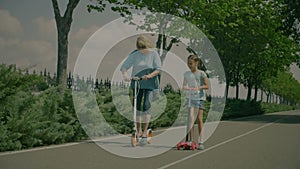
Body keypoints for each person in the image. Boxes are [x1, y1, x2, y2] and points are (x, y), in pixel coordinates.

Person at [120, 35, 161, 139]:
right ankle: (139, 130)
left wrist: (149, 75)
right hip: (137, 83)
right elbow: (124, 67)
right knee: (137, 107)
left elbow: (158, 69)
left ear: (148, 45)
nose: (142, 51)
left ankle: (145, 130)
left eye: (144, 48)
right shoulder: (135, 54)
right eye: (140, 49)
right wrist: (125, 75)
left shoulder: (154, 54)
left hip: (150, 83)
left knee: (146, 106)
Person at [182, 54, 209, 150]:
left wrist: (199, 87)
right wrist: (187, 88)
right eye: (188, 64)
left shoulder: (202, 74)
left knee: (199, 119)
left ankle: (201, 141)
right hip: (190, 98)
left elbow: (207, 86)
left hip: (200, 98)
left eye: (191, 63)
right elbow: (184, 86)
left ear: (196, 63)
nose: (189, 65)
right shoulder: (187, 74)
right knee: (191, 118)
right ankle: (191, 140)